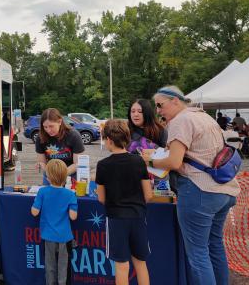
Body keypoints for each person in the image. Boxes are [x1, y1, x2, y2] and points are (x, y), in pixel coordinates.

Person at [140, 85, 240, 285]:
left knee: (198, 255)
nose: (158, 110)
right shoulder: (204, 116)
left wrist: (149, 161)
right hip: (224, 189)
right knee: (215, 246)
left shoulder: (181, 121)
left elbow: (174, 162)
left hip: (199, 191)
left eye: (160, 105)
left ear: (175, 101)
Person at [96, 119, 152, 285]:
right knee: (141, 263)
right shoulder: (139, 161)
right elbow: (148, 195)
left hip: (116, 218)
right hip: (138, 216)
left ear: (109, 140)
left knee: (121, 266)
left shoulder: (103, 165)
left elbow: (101, 198)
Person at [31, 159, 78, 285]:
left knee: (50, 266)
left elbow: (34, 212)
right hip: (64, 237)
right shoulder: (70, 194)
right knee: (64, 268)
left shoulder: (42, 192)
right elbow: (73, 216)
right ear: (65, 176)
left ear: (48, 176)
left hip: (48, 236)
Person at [35, 108, 85, 185]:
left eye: (51, 126)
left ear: (60, 122)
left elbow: (77, 163)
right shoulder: (40, 137)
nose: (48, 130)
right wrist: (51, 175)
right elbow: (42, 162)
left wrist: (60, 176)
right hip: (49, 176)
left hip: (70, 176)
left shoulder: (73, 135)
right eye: (45, 127)